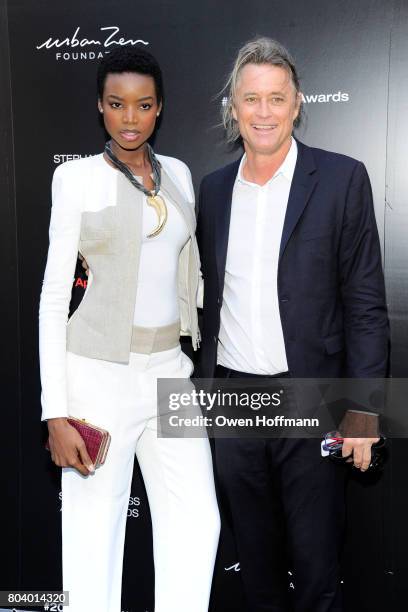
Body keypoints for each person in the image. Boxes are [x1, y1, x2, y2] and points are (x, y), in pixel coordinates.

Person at [196, 37, 388, 611]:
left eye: (275, 98)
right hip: (232, 400)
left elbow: (365, 306)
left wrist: (365, 411)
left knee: (314, 564)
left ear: (297, 103)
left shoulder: (341, 179)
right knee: (253, 567)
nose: (262, 112)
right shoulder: (212, 191)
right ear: (232, 105)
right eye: (250, 98)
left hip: (313, 397)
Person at [39, 46, 220, 612]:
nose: (130, 117)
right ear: (101, 107)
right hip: (98, 376)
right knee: (93, 542)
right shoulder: (76, 178)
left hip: (170, 371)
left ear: (159, 108)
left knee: (199, 522)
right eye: (117, 104)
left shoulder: (181, 176)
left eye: (143, 105)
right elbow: (52, 298)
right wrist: (55, 410)